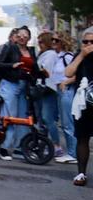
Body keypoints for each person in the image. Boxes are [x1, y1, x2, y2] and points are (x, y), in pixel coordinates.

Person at [0, 27, 33, 161]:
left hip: (24, 86)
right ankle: (4, 147)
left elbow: (34, 67)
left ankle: (19, 147)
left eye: (25, 35)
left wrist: (41, 73)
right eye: (20, 35)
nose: (22, 37)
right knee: (9, 117)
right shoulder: (10, 48)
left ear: (29, 38)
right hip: (10, 84)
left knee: (23, 118)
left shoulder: (31, 51)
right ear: (16, 37)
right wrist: (12, 65)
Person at [62, 27, 93, 186]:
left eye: (92, 42)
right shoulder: (79, 57)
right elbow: (68, 73)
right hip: (83, 105)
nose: (88, 44)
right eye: (85, 41)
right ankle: (81, 173)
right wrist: (81, 55)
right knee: (82, 138)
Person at [35, 33, 67, 161]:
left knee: (47, 118)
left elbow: (45, 70)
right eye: (38, 42)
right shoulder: (44, 54)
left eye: (41, 42)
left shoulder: (50, 54)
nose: (39, 44)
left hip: (48, 89)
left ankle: (56, 145)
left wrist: (34, 68)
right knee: (42, 120)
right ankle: (45, 145)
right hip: (42, 89)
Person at [51, 34, 78, 164]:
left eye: (56, 40)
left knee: (68, 123)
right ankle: (71, 152)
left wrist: (65, 82)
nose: (53, 42)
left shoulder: (68, 56)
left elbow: (77, 74)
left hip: (67, 90)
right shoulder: (58, 56)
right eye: (52, 39)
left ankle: (73, 154)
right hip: (60, 90)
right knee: (65, 123)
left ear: (63, 42)